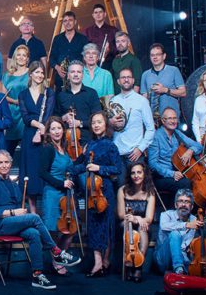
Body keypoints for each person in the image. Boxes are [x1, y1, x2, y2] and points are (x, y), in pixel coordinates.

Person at [0, 150, 80, 289]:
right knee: (35, 218)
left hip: (12, 223)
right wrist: (14, 212)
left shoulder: (12, 183)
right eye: (0, 162)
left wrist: (21, 213)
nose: (4, 165)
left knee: (34, 234)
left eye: (7, 162)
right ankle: (56, 251)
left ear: (11, 164)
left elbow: (18, 205)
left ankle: (37, 275)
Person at [38, 117, 84, 275]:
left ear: (63, 130)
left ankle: (60, 256)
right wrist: (61, 184)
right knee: (53, 230)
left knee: (70, 230)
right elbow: (42, 172)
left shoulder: (64, 148)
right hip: (52, 193)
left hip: (67, 196)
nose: (56, 131)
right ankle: (55, 259)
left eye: (59, 128)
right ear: (48, 132)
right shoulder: (48, 149)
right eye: (53, 129)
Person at [79, 111, 120, 278]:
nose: (96, 125)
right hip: (91, 191)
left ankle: (105, 261)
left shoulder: (111, 145)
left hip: (105, 189)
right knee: (94, 226)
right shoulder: (88, 145)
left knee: (107, 226)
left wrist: (99, 168)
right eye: (94, 122)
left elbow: (117, 169)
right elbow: (82, 166)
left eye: (99, 122)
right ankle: (98, 263)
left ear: (105, 125)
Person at [156, 188, 206, 277]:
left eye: (187, 202)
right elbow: (164, 226)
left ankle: (182, 272)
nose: (183, 204)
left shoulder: (194, 219)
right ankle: (179, 269)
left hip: (183, 258)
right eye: (180, 201)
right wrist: (187, 225)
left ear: (191, 207)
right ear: (176, 205)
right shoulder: (166, 215)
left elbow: (190, 246)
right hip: (163, 258)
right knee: (175, 234)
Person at [17, 63, 54, 214]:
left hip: (45, 136)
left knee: (43, 170)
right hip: (29, 136)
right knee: (30, 174)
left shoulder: (49, 92)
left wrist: (42, 129)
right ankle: (32, 212)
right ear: (30, 74)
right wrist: (39, 126)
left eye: (41, 73)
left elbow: (49, 113)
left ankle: (46, 213)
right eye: (36, 72)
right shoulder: (23, 94)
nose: (39, 75)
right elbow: (25, 117)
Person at [147, 107, 202, 194]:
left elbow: (198, 146)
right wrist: (172, 174)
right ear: (163, 120)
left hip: (178, 173)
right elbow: (153, 164)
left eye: (175, 118)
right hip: (162, 177)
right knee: (186, 183)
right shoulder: (156, 137)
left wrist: (190, 151)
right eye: (170, 118)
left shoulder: (177, 133)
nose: (173, 121)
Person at [117, 163, 156, 282]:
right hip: (126, 222)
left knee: (143, 228)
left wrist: (138, 219)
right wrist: (134, 218)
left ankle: (138, 265)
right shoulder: (122, 190)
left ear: (144, 174)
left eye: (139, 172)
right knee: (127, 225)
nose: (136, 175)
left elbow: (149, 218)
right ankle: (128, 262)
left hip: (142, 223)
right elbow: (121, 215)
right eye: (133, 173)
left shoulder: (150, 192)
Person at [109, 68, 155, 166]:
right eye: (123, 77)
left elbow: (151, 129)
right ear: (118, 81)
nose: (126, 80)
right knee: (120, 182)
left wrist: (140, 148)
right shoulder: (113, 101)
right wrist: (110, 123)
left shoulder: (142, 101)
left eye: (129, 77)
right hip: (117, 152)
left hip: (135, 153)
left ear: (133, 80)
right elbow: (109, 130)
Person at [141, 43, 187, 119]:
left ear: (164, 56)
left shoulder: (174, 70)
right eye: (152, 55)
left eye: (158, 54)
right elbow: (144, 98)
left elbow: (183, 92)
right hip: (153, 118)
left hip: (172, 117)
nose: (155, 57)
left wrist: (165, 90)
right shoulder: (145, 75)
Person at [0, 45, 31, 150]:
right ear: (15, 57)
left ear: (27, 58)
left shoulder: (31, 73)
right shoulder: (8, 75)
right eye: (19, 55)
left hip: (26, 112)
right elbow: (2, 96)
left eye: (24, 55)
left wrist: (22, 102)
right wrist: (15, 101)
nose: (21, 57)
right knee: (8, 149)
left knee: (26, 149)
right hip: (11, 112)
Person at [55, 61, 100, 131]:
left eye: (79, 72)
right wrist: (63, 118)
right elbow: (54, 119)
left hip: (87, 138)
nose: (76, 74)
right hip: (66, 138)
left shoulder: (92, 93)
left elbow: (98, 119)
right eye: (72, 72)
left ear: (83, 75)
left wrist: (80, 123)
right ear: (68, 75)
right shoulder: (61, 95)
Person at [48, 11, 88, 87]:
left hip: (78, 79)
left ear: (75, 22)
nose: (68, 23)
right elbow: (51, 57)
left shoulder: (83, 39)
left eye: (70, 20)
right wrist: (58, 68)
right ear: (63, 23)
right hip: (60, 79)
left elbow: (86, 58)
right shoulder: (57, 39)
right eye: (65, 21)